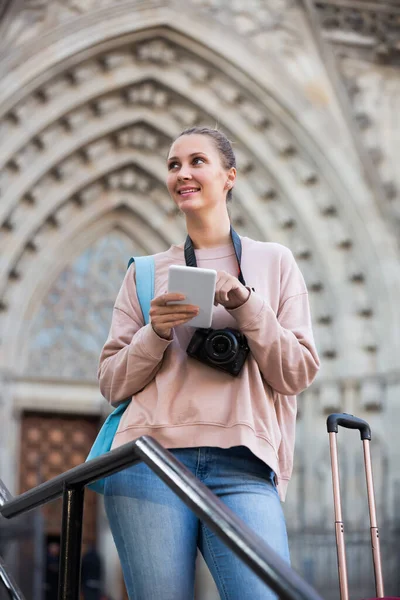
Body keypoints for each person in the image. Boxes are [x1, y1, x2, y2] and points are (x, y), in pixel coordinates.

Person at [98, 127, 320, 600]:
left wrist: (244, 302)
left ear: (229, 177)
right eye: (174, 164)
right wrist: (155, 331)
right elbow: (111, 383)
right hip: (149, 462)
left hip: (243, 465)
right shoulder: (143, 273)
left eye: (197, 161)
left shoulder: (274, 263)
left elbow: (296, 373)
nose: (183, 173)